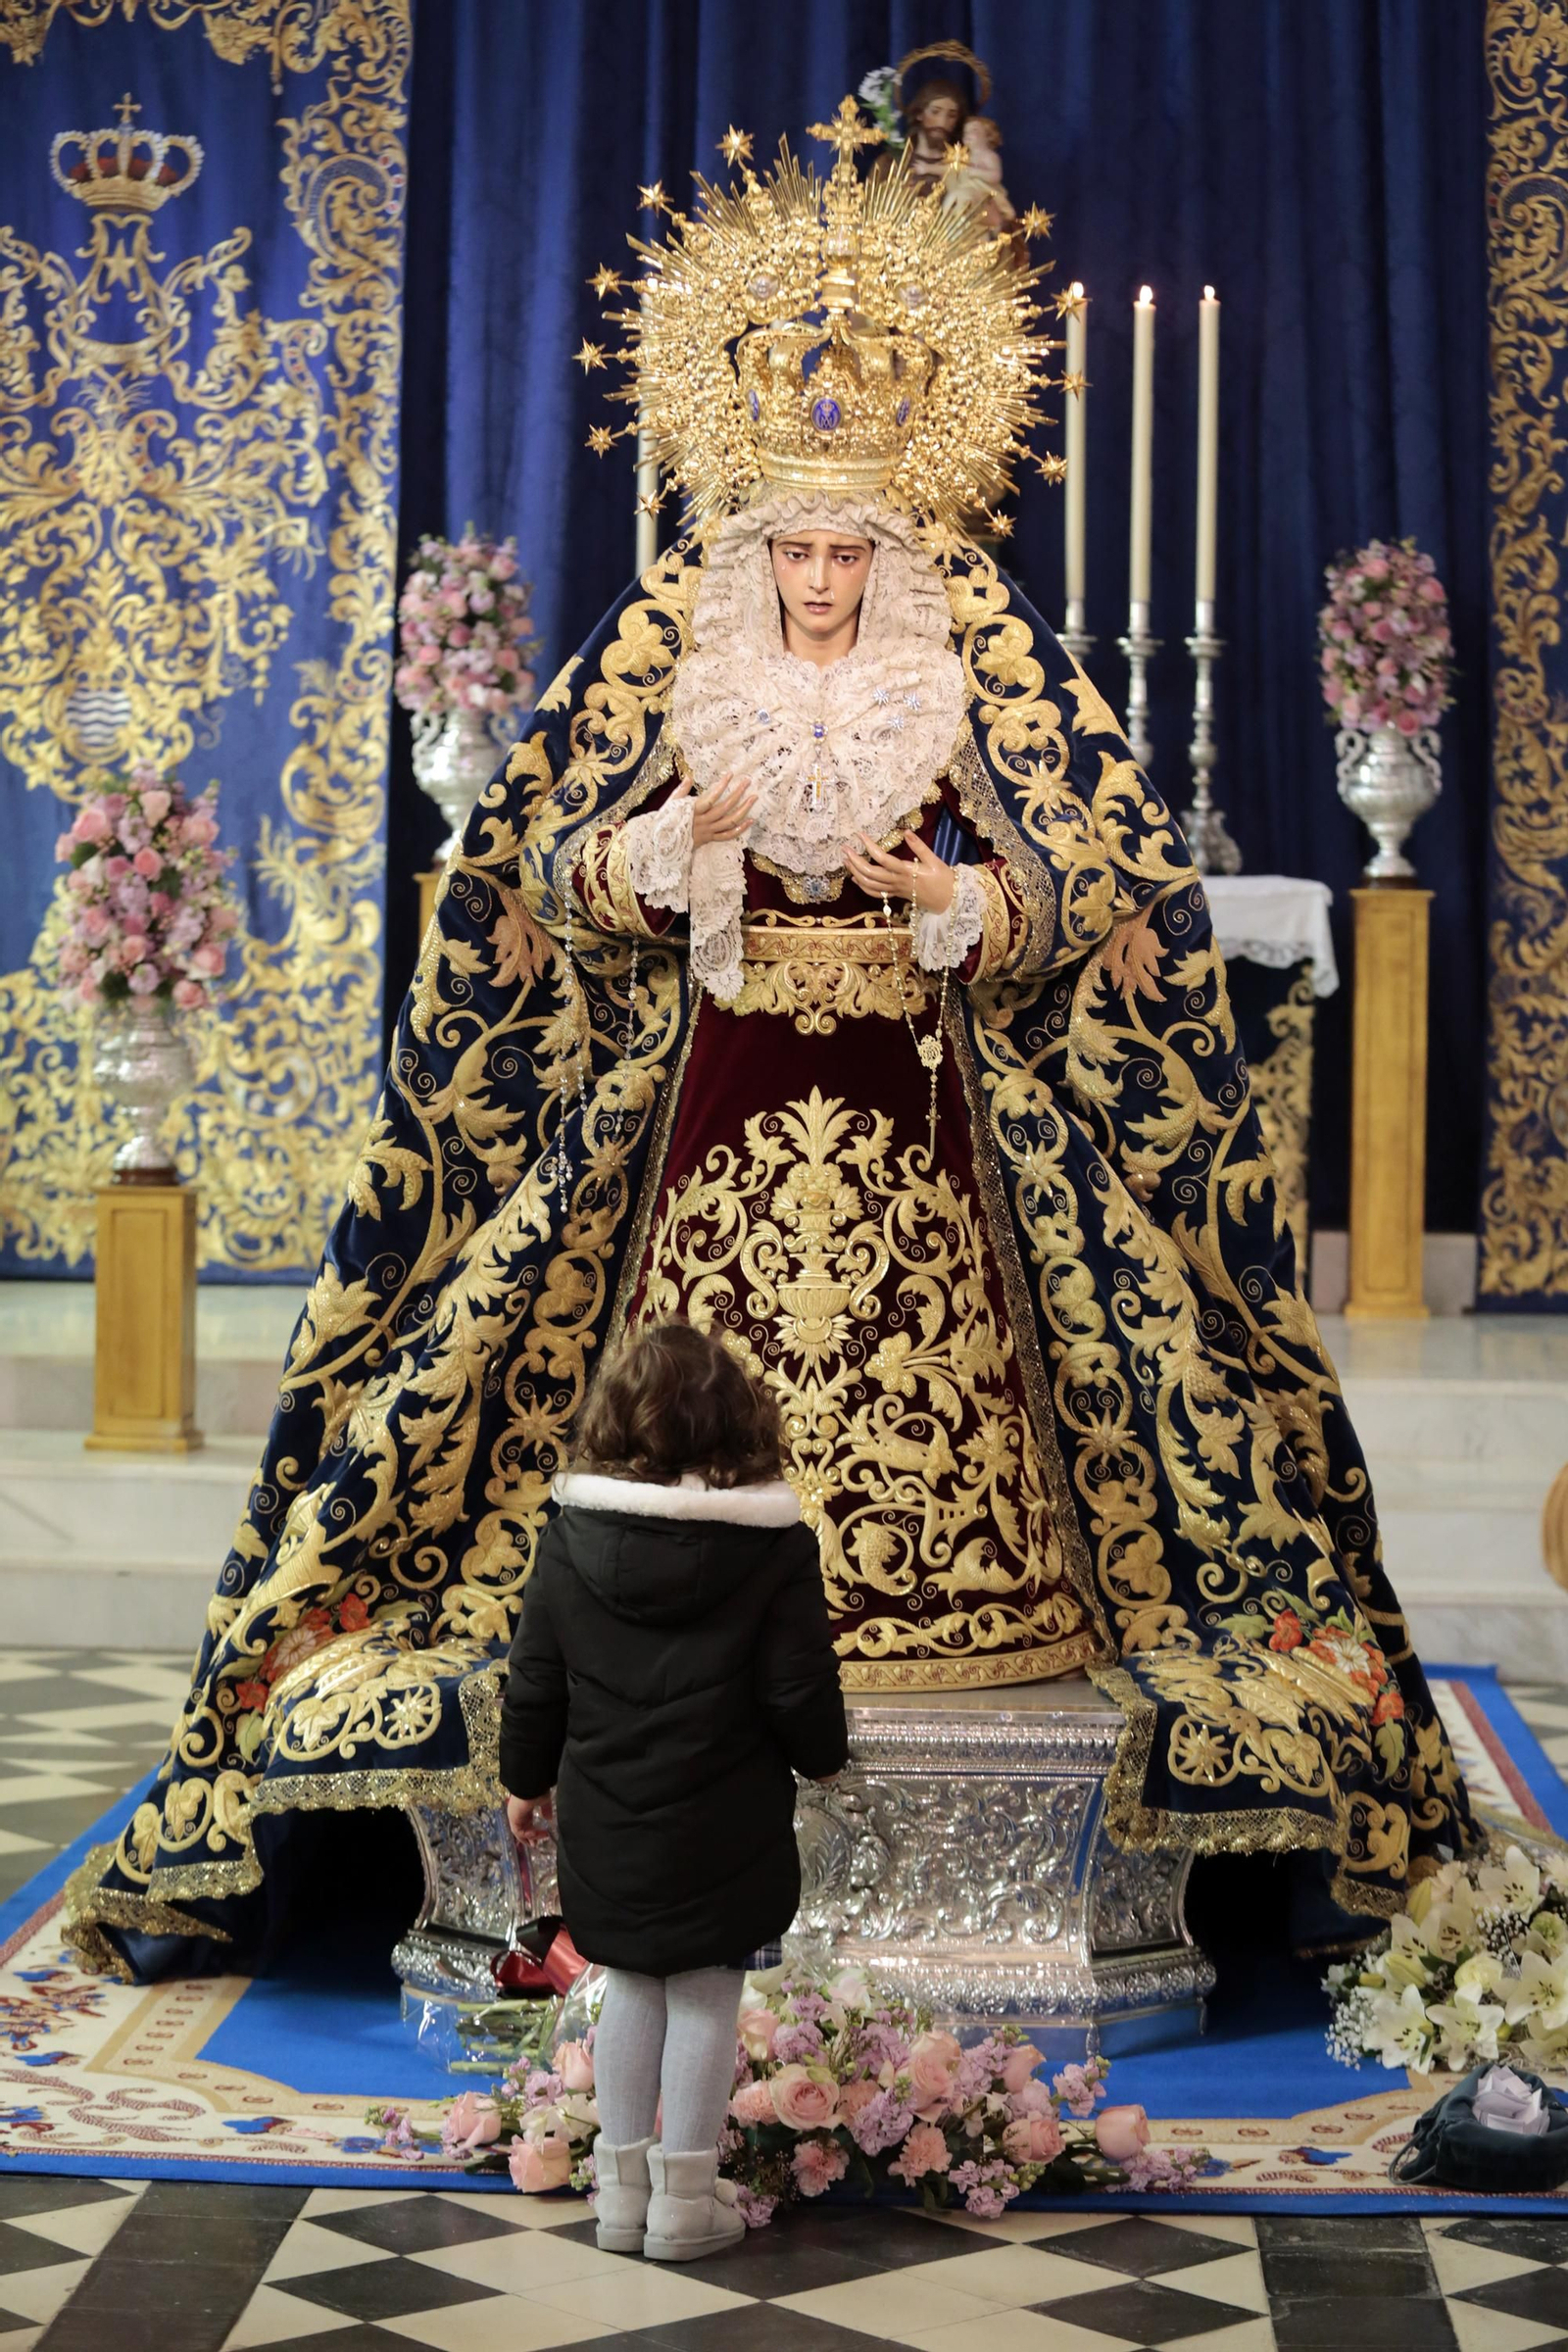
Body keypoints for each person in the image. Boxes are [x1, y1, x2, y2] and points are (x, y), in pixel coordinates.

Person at [65, 95, 1472, 1986]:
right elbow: (540, 870)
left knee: (993, 1358)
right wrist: (673, 856)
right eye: (796, 548)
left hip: (915, 1086)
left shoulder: (963, 667)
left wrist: (953, 899)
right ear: (758, 538)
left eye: (846, 550)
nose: (820, 576)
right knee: (634, 1347)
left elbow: (1098, 881)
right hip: (718, 1085)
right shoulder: (682, 655)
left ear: (891, 545)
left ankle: (957, 1611)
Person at [499, 1320, 848, 2260]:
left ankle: (620, 2200)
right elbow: (798, 1687)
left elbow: (534, 1679)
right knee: (703, 1986)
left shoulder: (571, 1540)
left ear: (614, 1422)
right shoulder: (773, 1545)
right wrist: (824, 1757)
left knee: (629, 1983)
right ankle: (685, 2205)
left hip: (607, 1811)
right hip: (725, 1812)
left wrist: (522, 1784)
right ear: (737, 1420)